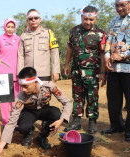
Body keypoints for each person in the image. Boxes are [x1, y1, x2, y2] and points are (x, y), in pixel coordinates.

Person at [0, 67, 72, 157]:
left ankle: (42, 136)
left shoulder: (49, 86)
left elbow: (67, 102)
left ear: (35, 81)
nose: (23, 90)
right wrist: (2, 144)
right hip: (29, 112)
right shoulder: (21, 95)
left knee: (56, 114)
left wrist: (61, 120)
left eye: (26, 86)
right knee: (22, 127)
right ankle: (27, 132)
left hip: (45, 110)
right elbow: (12, 121)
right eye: (21, 86)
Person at [63, 6, 106, 134]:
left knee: (92, 97)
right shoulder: (74, 31)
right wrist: (66, 65)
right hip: (76, 70)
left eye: (91, 19)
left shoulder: (100, 33)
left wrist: (103, 72)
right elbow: (70, 48)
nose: (88, 22)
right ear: (81, 17)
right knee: (77, 96)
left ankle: (92, 122)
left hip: (92, 72)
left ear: (95, 18)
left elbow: (103, 54)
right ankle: (76, 121)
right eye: (85, 19)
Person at [101, 0, 130, 141]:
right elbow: (108, 40)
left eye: (123, 5)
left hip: (128, 68)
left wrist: (122, 55)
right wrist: (107, 56)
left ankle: (129, 130)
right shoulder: (114, 20)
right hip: (113, 68)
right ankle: (117, 125)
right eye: (117, 5)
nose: (119, 8)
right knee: (113, 99)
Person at [0, 18, 20, 125]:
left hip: (16, 73)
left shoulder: (18, 39)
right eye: (8, 27)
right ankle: (5, 121)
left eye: (12, 27)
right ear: (4, 27)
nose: (10, 29)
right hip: (3, 73)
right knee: (4, 100)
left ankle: (15, 121)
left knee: (16, 99)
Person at [17, 9, 60, 82]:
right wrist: (20, 73)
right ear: (27, 21)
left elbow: (54, 53)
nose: (33, 20)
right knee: (29, 93)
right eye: (30, 19)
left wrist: (56, 71)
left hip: (44, 73)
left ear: (40, 19)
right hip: (28, 74)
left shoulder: (48, 33)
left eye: (36, 18)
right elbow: (21, 56)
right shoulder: (23, 36)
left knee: (45, 93)